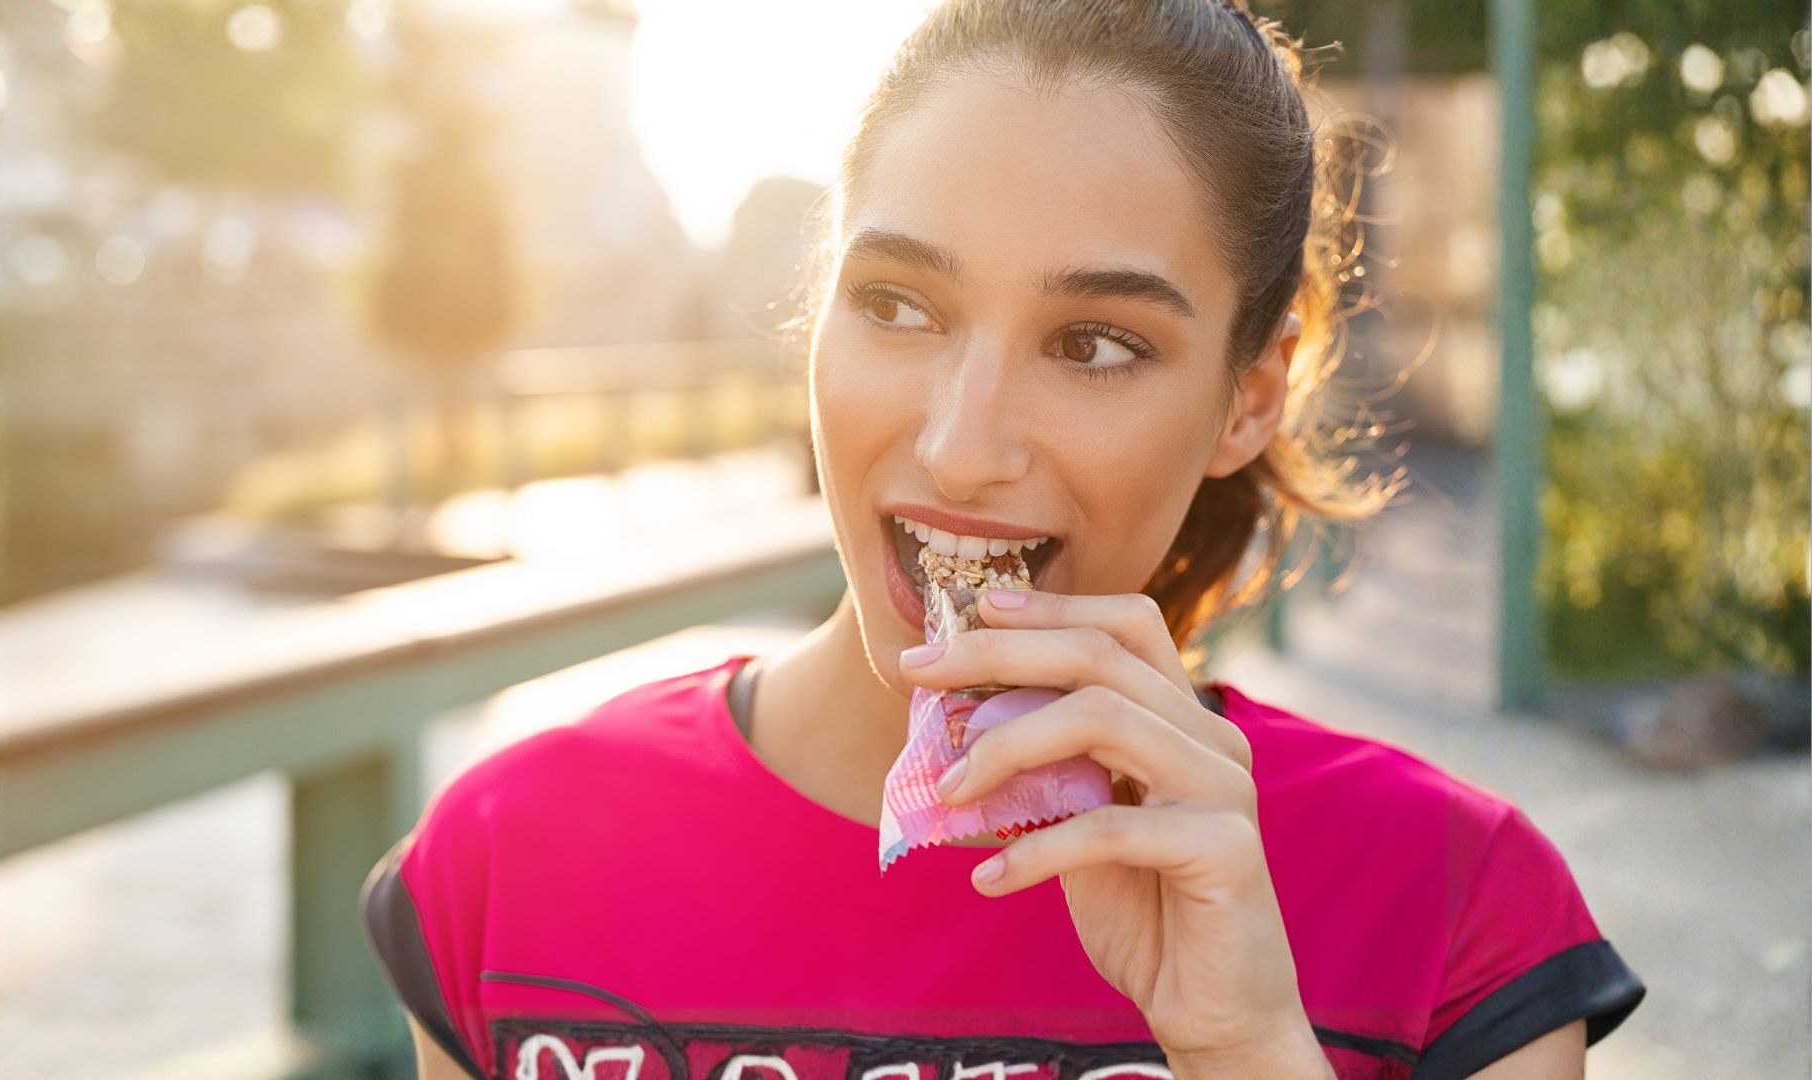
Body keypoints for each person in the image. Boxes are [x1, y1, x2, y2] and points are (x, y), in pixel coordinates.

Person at [359, 1, 1646, 1077]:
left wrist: (1247, 1043)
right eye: (899, 305)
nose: (963, 443)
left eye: (1096, 344)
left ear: (1249, 396)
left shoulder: (1456, 918)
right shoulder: (505, 870)